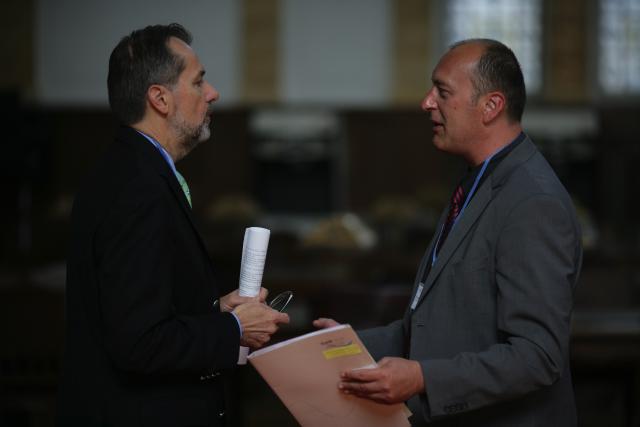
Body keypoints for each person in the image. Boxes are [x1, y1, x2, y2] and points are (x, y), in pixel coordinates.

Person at [314, 39, 582, 426]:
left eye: (442, 91)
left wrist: (422, 377)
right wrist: (350, 343)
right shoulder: (480, 180)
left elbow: (537, 357)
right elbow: (436, 326)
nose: (426, 102)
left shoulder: (532, 202)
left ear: (491, 106)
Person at [56, 23, 289, 427]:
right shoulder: (137, 188)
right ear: (160, 98)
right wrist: (233, 328)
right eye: (199, 82)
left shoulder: (132, 169)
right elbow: (138, 342)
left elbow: (138, 304)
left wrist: (215, 310)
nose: (212, 92)